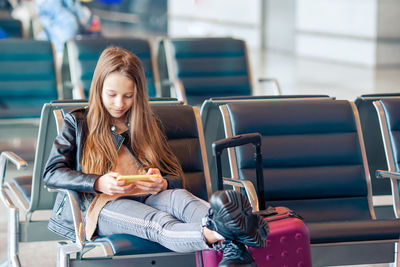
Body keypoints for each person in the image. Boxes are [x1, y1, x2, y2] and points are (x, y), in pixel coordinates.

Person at [43, 46, 268, 267]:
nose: (119, 104)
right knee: (158, 224)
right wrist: (98, 182)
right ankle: (229, 234)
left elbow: (176, 175)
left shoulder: (148, 124)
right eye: (111, 95)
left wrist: (163, 182)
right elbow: (52, 173)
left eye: (128, 96)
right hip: (102, 205)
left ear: (138, 94)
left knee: (181, 197)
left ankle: (231, 231)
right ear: (98, 89)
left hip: (147, 195)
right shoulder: (78, 123)